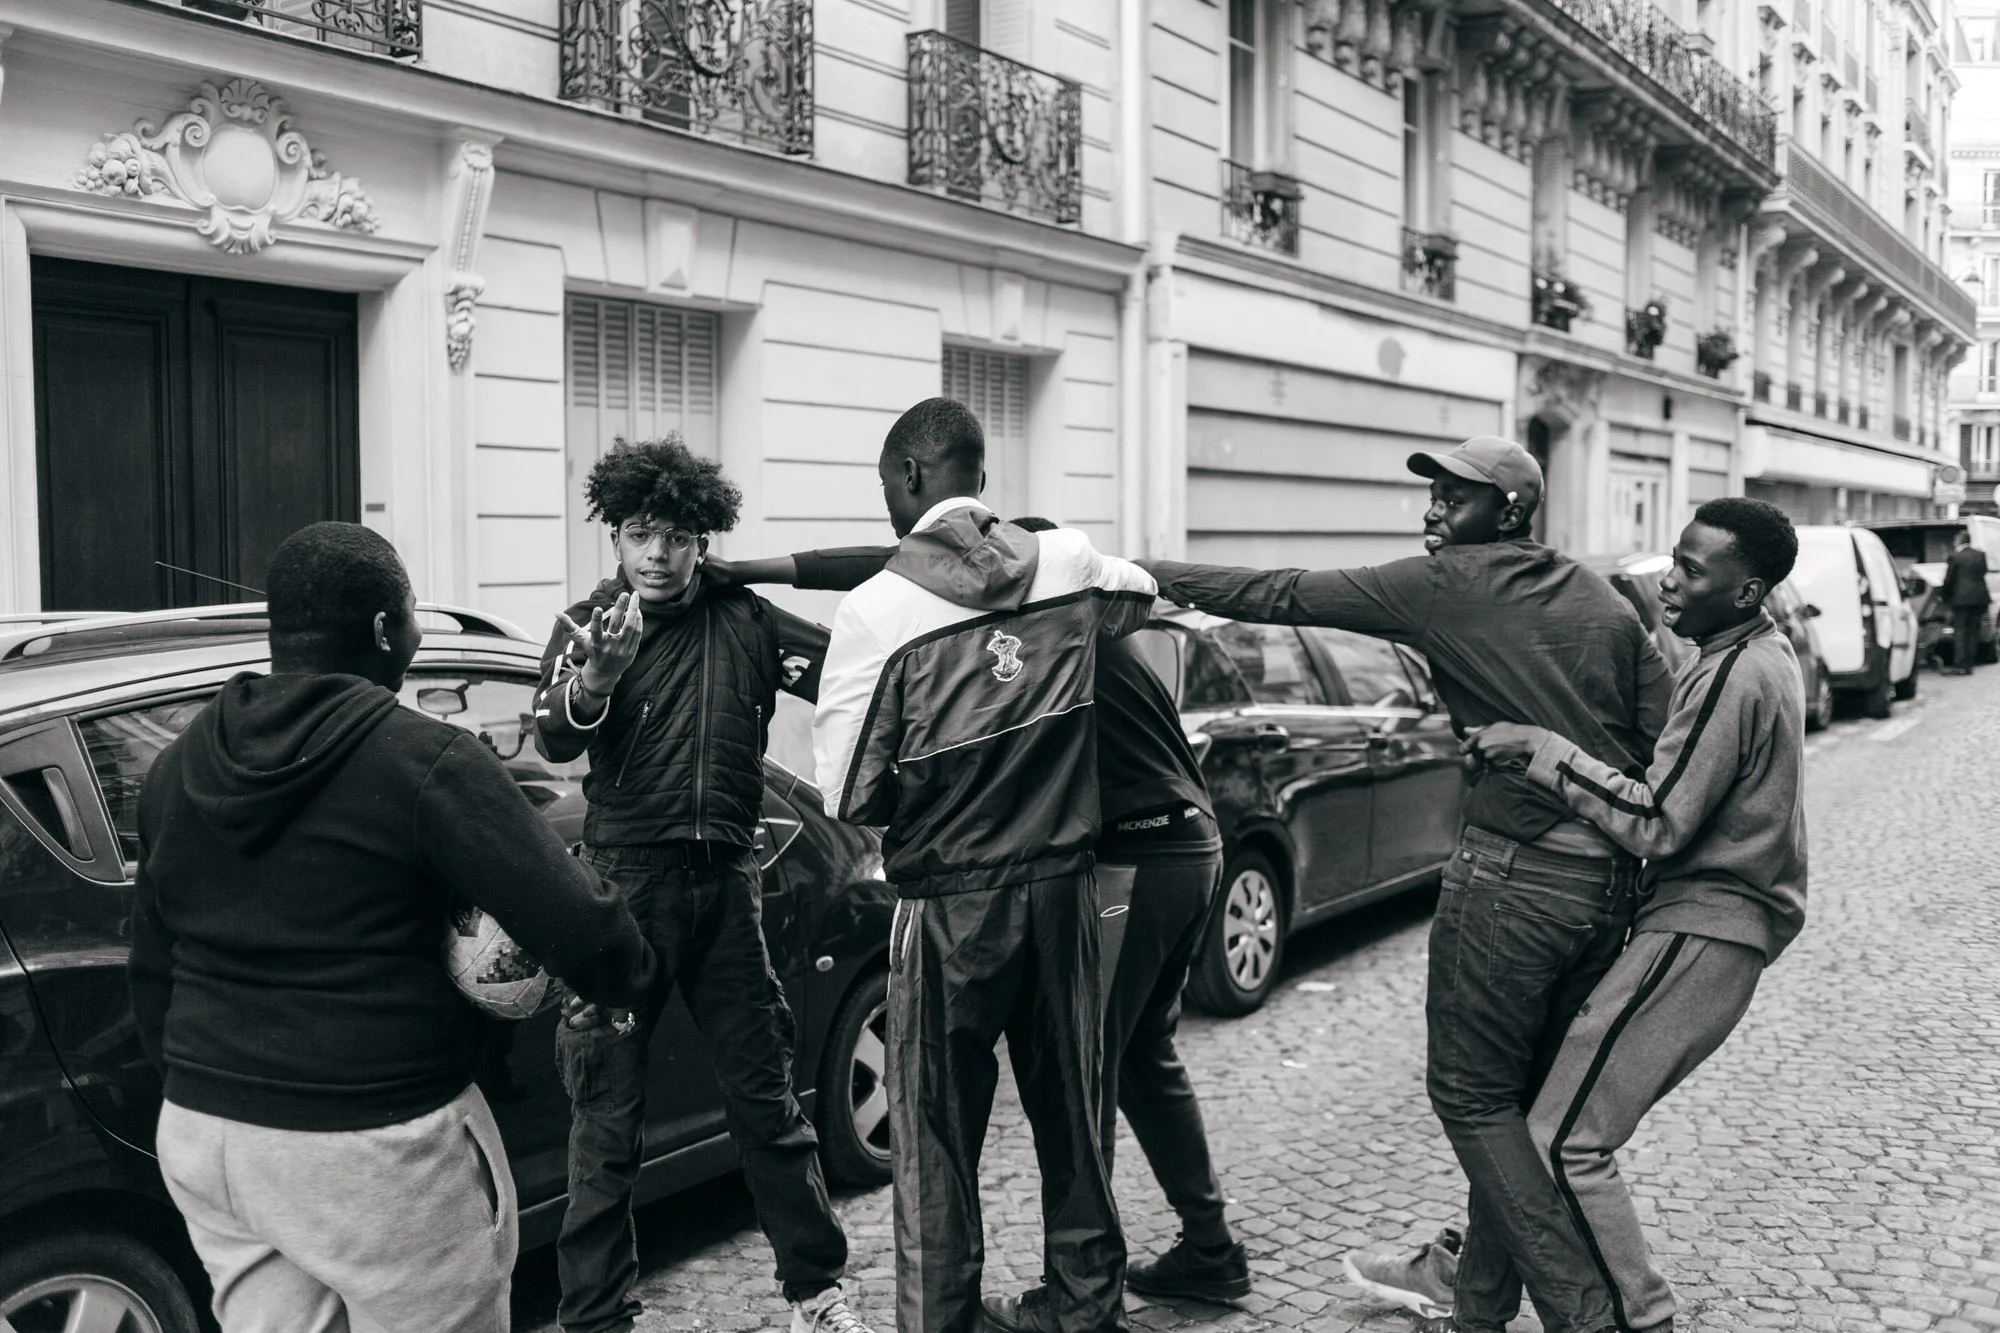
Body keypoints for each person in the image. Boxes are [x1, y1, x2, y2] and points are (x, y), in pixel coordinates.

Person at [1140, 436, 1671, 1333]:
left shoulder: (1444, 585)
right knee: (1519, 1113)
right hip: (1605, 888)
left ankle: (1585, 1314)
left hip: (1513, 881)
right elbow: (1662, 737)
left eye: (1454, 496)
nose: (1432, 510)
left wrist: (1138, 571)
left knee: (1469, 1095)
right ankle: (1478, 1304)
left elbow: (1280, 592)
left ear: (1507, 511)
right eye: (1431, 495)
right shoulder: (1599, 595)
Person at [710, 517, 1252, 1315]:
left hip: (1132, 858)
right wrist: (761, 570)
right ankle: (1209, 1247)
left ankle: (1079, 1299)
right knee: (1139, 1055)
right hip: (1185, 845)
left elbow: (877, 732)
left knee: (1080, 1082)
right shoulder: (1068, 607)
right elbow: (893, 563)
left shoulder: (1047, 642)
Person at [130, 521, 657, 1333]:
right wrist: (624, 983)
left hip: (209, 1135)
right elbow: (583, 926)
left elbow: (153, 960)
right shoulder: (424, 759)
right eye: (410, 615)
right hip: (375, 1142)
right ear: (385, 631)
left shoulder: (178, 761)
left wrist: (199, 1082)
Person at [812, 399, 1157, 1333]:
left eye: (887, 482)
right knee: (1074, 1115)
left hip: (952, 903)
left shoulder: (876, 609)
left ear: (912, 478)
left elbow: (848, 788)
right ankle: (1087, 1307)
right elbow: (1143, 598)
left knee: (934, 1135)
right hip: (1060, 885)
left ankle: (942, 1321)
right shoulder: (1070, 563)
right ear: (982, 479)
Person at [533, 438, 871, 1333]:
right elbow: (554, 741)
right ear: (614, 536)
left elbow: (855, 672)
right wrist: (596, 679)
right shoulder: (584, 627)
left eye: (677, 536)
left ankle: (818, 1293)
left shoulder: (749, 621)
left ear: (703, 540)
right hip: (621, 894)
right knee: (606, 1121)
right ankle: (598, 1319)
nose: (656, 554)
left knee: (768, 1103)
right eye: (640, 534)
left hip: (727, 890)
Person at [1461, 496, 1809, 1333]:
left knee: (1564, 1140)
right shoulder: (1757, 653)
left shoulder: (1734, 673)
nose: (1670, 584)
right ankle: (1469, 1274)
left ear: (1748, 588)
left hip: (1703, 927)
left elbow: (1660, 819)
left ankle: (1638, 1318)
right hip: (1709, 927)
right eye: (1674, 560)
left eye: (1692, 570)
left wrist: (1540, 748)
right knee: (1549, 1113)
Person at [1939, 529, 1990, 675]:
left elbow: (1949, 580)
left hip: (1961, 600)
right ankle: (1969, 663)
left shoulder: (1955, 557)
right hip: (1979, 599)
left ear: (1959, 541)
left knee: (1960, 632)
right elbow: (1983, 572)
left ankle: (1960, 664)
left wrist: (1943, 596)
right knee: (1973, 631)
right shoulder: (1980, 555)